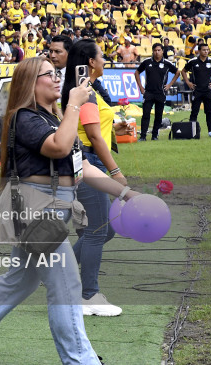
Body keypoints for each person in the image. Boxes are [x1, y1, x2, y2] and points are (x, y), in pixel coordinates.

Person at [0, 56, 138, 365]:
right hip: (36, 208)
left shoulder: (53, 117)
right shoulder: (25, 117)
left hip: (48, 207)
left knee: (21, 279)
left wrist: (125, 193)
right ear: (31, 84)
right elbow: (59, 148)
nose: (56, 78)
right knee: (66, 282)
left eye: (56, 72)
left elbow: (81, 164)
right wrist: (74, 104)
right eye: (49, 74)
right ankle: (80, 359)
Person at [61, 39, 130, 317]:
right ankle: (88, 295)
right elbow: (92, 135)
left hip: (87, 160)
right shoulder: (85, 92)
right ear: (91, 62)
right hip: (88, 161)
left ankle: (60, 273)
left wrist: (115, 128)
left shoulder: (86, 90)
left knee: (105, 229)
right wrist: (115, 172)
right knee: (97, 230)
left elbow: (93, 127)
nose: (104, 60)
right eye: (101, 56)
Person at [136, 43, 180, 141]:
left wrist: (169, 85)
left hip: (161, 93)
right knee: (146, 114)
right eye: (155, 50)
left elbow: (177, 72)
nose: (157, 52)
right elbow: (137, 72)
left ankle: (155, 136)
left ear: (162, 51)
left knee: (158, 115)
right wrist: (141, 87)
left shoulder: (167, 63)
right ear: (152, 51)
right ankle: (143, 136)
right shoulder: (147, 62)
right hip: (148, 93)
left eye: (159, 50)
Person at [181, 43, 211, 137]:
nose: (206, 51)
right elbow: (183, 71)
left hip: (208, 91)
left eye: (207, 50)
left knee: (209, 112)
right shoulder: (193, 61)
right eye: (204, 50)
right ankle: (192, 131)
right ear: (199, 51)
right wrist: (188, 82)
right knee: (194, 111)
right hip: (197, 90)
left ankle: (210, 131)